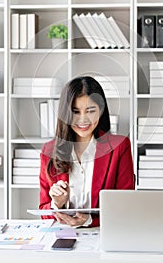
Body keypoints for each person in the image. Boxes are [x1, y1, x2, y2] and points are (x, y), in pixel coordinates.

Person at [39, 76, 134, 227]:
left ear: (100, 111)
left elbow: (126, 207)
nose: (83, 120)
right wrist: (56, 204)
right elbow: (43, 212)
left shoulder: (119, 147)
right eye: (75, 112)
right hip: (63, 236)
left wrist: (90, 220)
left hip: (104, 234)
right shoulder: (49, 151)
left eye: (90, 111)